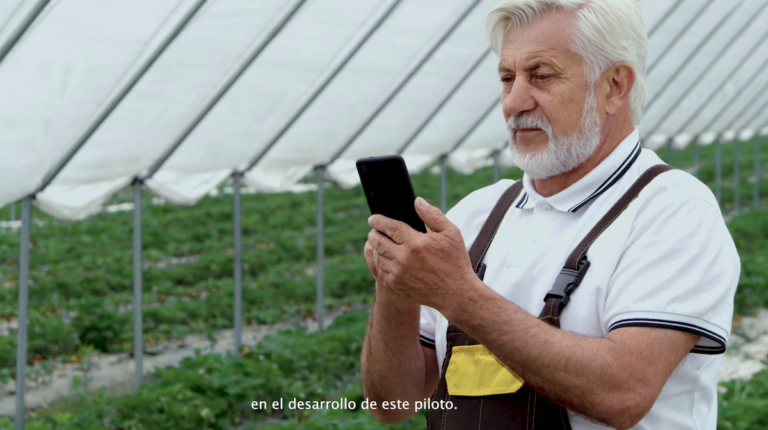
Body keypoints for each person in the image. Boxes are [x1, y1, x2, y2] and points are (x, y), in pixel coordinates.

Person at [359, 0, 740, 429]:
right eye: (507, 78)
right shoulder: (478, 213)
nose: (515, 101)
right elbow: (391, 405)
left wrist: (459, 295)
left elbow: (624, 393)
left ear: (614, 86)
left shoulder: (672, 211)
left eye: (541, 75)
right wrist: (396, 288)